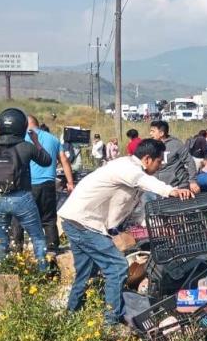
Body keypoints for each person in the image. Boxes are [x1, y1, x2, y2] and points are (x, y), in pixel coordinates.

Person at [58, 138, 192, 329]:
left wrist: (160, 227)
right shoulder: (127, 168)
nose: (161, 164)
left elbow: (136, 214)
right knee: (118, 267)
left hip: (78, 221)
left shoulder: (132, 174)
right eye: (159, 160)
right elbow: (142, 180)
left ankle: (71, 316)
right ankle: (111, 322)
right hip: (84, 222)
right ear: (147, 159)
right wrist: (171, 191)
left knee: (86, 273)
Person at [0, 108, 53, 269]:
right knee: (37, 237)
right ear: (21, 126)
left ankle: (1, 274)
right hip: (21, 198)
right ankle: (42, 271)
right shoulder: (27, 146)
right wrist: (36, 141)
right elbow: (47, 161)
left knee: (0, 240)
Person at [10, 114, 75, 256]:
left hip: (28, 186)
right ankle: (52, 248)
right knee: (49, 218)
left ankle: (17, 249)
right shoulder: (53, 139)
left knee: (19, 218)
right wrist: (70, 183)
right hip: (49, 185)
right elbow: (64, 160)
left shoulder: (22, 139)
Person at [150, 120, 199, 193]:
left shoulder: (176, 144)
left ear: (161, 133)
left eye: (153, 131)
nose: (150, 133)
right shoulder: (151, 145)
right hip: (160, 188)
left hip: (178, 186)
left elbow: (189, 161)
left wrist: (193, 181)